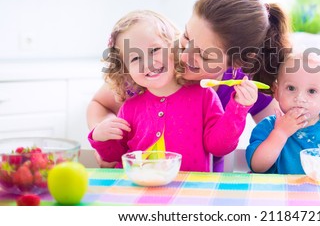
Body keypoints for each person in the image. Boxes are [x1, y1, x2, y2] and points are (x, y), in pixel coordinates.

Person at [87, 0, 320, 169]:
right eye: (187, 36)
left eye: (204, 55)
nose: (184, 53)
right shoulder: (152, 68)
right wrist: (109, 137)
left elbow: (297, 140)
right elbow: (99, 104)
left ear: (235, 65)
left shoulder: (239, 86)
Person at [88, 10, 257, 172]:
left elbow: (219, 146)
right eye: (135, 58)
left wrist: (238, 109)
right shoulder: (130, 107)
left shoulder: (203, 96)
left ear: (175, 48)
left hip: (188, 190)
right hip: (138, 189)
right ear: (125, 70)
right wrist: (100, 137)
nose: (148, 63)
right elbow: (115, 156)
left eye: (155, 50)